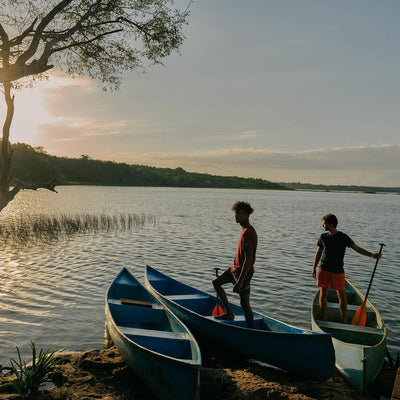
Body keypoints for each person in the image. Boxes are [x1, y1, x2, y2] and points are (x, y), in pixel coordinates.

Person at [312, 213, 381, 323]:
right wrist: (314, 267)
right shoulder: (323, 237)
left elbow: (357, 248)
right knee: (323, 294)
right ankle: (324, 318)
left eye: (324, 224)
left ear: (331, 224)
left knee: (342, 297)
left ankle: (344, 319)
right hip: (324, 269)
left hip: (338, 271)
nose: (322, 226)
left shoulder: (343, 237)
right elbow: (319, 253)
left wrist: (372, 255)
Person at [212, 201, 258, 328]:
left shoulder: (248, 233)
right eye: (235, 214)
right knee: (216, 282)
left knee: (245, 304)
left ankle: (251, 331)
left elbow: (249, 260)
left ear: (246, 214)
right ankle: (229, 313)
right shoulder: (244, 230)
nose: (236, 216)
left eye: (238, 214)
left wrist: (240, 281)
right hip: (234, 270)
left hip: (243, 273)